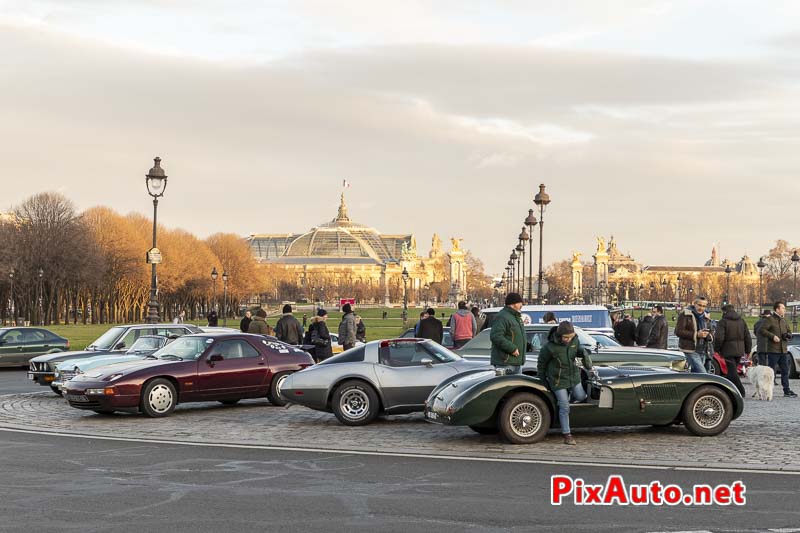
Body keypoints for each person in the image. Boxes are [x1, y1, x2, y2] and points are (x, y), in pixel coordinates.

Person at [537, 321, 593, 446]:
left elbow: (578, 350)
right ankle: (567, 434)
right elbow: (541, 364)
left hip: (573, 376)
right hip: (558, 380)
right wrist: (542, 379)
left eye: (571, 337)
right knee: (564, 407)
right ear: (560, 335)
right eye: (566, 337)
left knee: (581, 396)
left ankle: (568, 397)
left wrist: (584, 354)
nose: (568, 339)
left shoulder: (575, 341)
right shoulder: (549, 347)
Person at [759, 301, 797, 398]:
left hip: (783, 350)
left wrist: (788, 335)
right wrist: (772, 336)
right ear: (777, 309)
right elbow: (762, 330)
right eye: (783, 308)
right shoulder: (770, 319)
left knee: (785, 371)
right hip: (773, 351)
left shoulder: (784, 320)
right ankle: (767, 390)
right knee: (771, 372)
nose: (784, 310)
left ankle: (787, 390)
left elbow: (789, 331)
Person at [714, 304, 750, 396]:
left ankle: (741, 391)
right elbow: (747, 336)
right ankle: (729, 391)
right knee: (731, 372)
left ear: (724, 311)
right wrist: (748, 350)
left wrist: (717, 349)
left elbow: (719, 337)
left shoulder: (723, 322)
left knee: (732, 372)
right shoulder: (741, 321)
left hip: (728, 350)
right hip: (739, 351)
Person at [489, 293, 526, 375]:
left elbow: (516, 336)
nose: (521, 305)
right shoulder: (502, 317)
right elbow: (496, 336)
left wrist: (526, 345)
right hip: (505, 363)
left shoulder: (516, 317)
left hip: (515, 362)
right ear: (513, 304)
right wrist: (512, 349)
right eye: (520, 303)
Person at [675, 297, 711, 373]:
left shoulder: (706, 316)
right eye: (699, 305)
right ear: (694, 304)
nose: (701, 308)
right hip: (690, 349)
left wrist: (708, 335)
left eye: (704, 306)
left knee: (696, 375)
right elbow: (678, 331)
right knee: (703, 374)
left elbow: (711, 330)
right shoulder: (685, 314)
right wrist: (696, 334)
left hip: (703, 349)